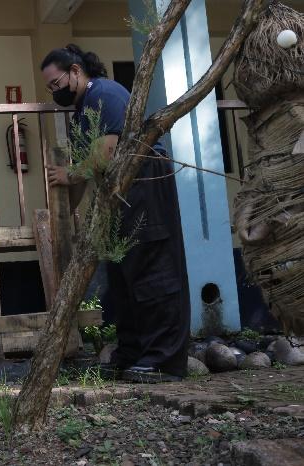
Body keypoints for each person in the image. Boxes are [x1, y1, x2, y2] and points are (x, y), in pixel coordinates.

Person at [41, 44, 191, 382]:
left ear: (76, 71)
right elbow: (84, 172)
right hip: (117, 195)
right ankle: (132, 354)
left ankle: (164, 361)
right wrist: (66, 212)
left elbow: (106, 153)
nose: (54, 92)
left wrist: (70, 174)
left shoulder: (104, 93)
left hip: (144, 181)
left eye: (55, 83)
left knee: (153, 271)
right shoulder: (81, 113)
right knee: (123, 277)